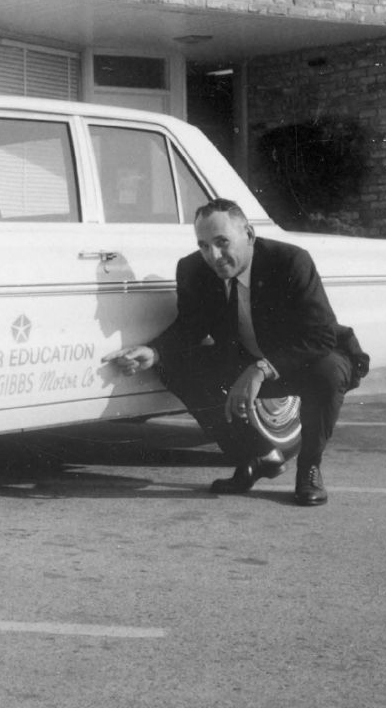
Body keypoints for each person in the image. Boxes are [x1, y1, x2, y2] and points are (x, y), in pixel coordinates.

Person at [103, 198, 358, 506]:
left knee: (328, 372)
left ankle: (309, 470)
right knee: (174, 364)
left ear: (248, 235)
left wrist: (261, 370)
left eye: (222, 242)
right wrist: (154, 352)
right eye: (204, 245)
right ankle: (258, 456)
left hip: (302, 359)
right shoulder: (191, 268)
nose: (214, 256)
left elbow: (320, 336)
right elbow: (190, 327)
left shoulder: (290, 260)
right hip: (244, 360)